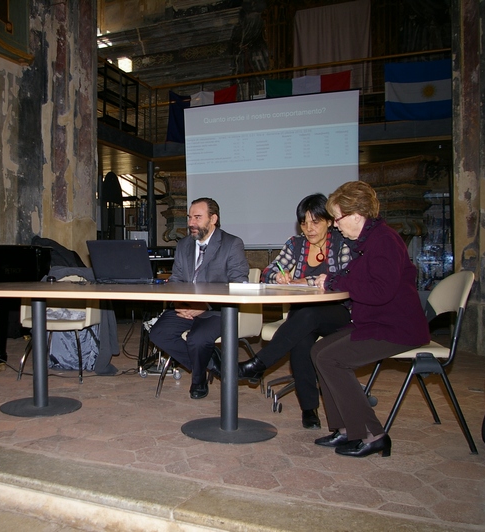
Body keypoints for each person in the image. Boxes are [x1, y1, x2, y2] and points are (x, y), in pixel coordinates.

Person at [311, 181, 429, 458]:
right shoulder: (369, 241)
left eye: (337, 218)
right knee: (318, 351)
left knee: (332, 359)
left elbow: (379, 292)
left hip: (397, 328)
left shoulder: (384, 241)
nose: (336, 225)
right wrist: (336, 281)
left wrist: (336, 282)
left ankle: (372, 434)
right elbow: (361, 280)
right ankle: (344, 429)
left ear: (356, 215)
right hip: (379, 321)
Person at [237, 194, 352, 429]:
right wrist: (278, 275)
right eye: (304, 223)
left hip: (338, 313)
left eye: (315, 222)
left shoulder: (343, 243)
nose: (308, 229)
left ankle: (259, 364)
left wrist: (304, 281)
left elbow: (346, 277)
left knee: (309, 315)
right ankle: (309, 410)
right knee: (301, 340)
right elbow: (268, 271)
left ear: (329, 221)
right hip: (302, 317)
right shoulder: (295, 244)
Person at [148, 198, 249, 399]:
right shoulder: (184, 245)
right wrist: (180, 303)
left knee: (197, 339)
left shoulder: (231, 244)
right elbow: (176, 279)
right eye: (189, 217)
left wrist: (204, 306)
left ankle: (198, 380)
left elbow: (238, 285)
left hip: (218, 310)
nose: (191, 223)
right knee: (159, 334)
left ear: (213, 219)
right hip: (185, 307)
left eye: (197, 217)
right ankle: (211, 364)